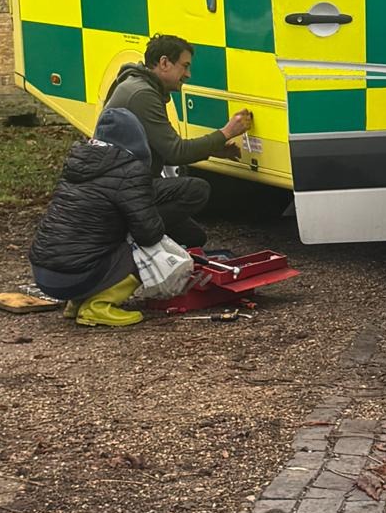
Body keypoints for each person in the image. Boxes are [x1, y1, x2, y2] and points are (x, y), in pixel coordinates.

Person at [103, 34, 253, 246]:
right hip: (123, 189)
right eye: (185, 66)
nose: (188, 74)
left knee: (194, 238)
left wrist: (212, 150)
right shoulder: (142, 94)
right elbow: (176, 152)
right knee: (197, 190)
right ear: (164, 63)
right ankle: (127, 234)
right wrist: (227, 132)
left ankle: (137, 232)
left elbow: (165, 151)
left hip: (124, 185)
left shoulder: (140, 86)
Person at [29, 107, 165, 329]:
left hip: (43, 273)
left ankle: (76, 302)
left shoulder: (77, 163)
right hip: (73, 277)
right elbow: (149, 234)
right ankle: (98, 306)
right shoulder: (130, 170)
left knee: (89, 244)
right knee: (146, 254)